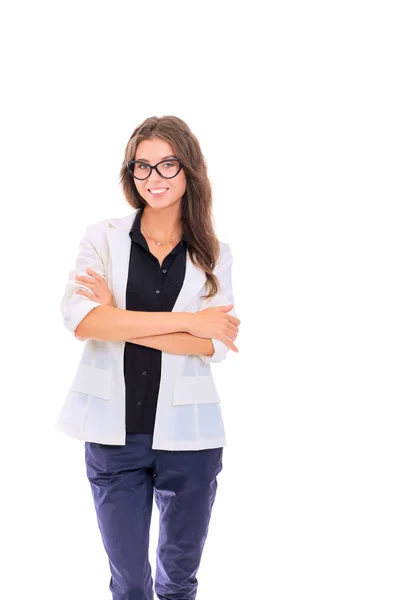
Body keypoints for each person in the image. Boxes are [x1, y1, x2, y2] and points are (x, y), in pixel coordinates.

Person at [56, 115, 240, 600]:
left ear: (189, 171)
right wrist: (188, 322)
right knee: (132, 584)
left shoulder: (213, 254)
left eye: (166, 165)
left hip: (191, 437)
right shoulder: (102, 237)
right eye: (142, 166)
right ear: (129, 173)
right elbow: (83, 322)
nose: (153, 179)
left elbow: (215, 344)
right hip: (113, 434)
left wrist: (119, 315)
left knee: (178, 582)